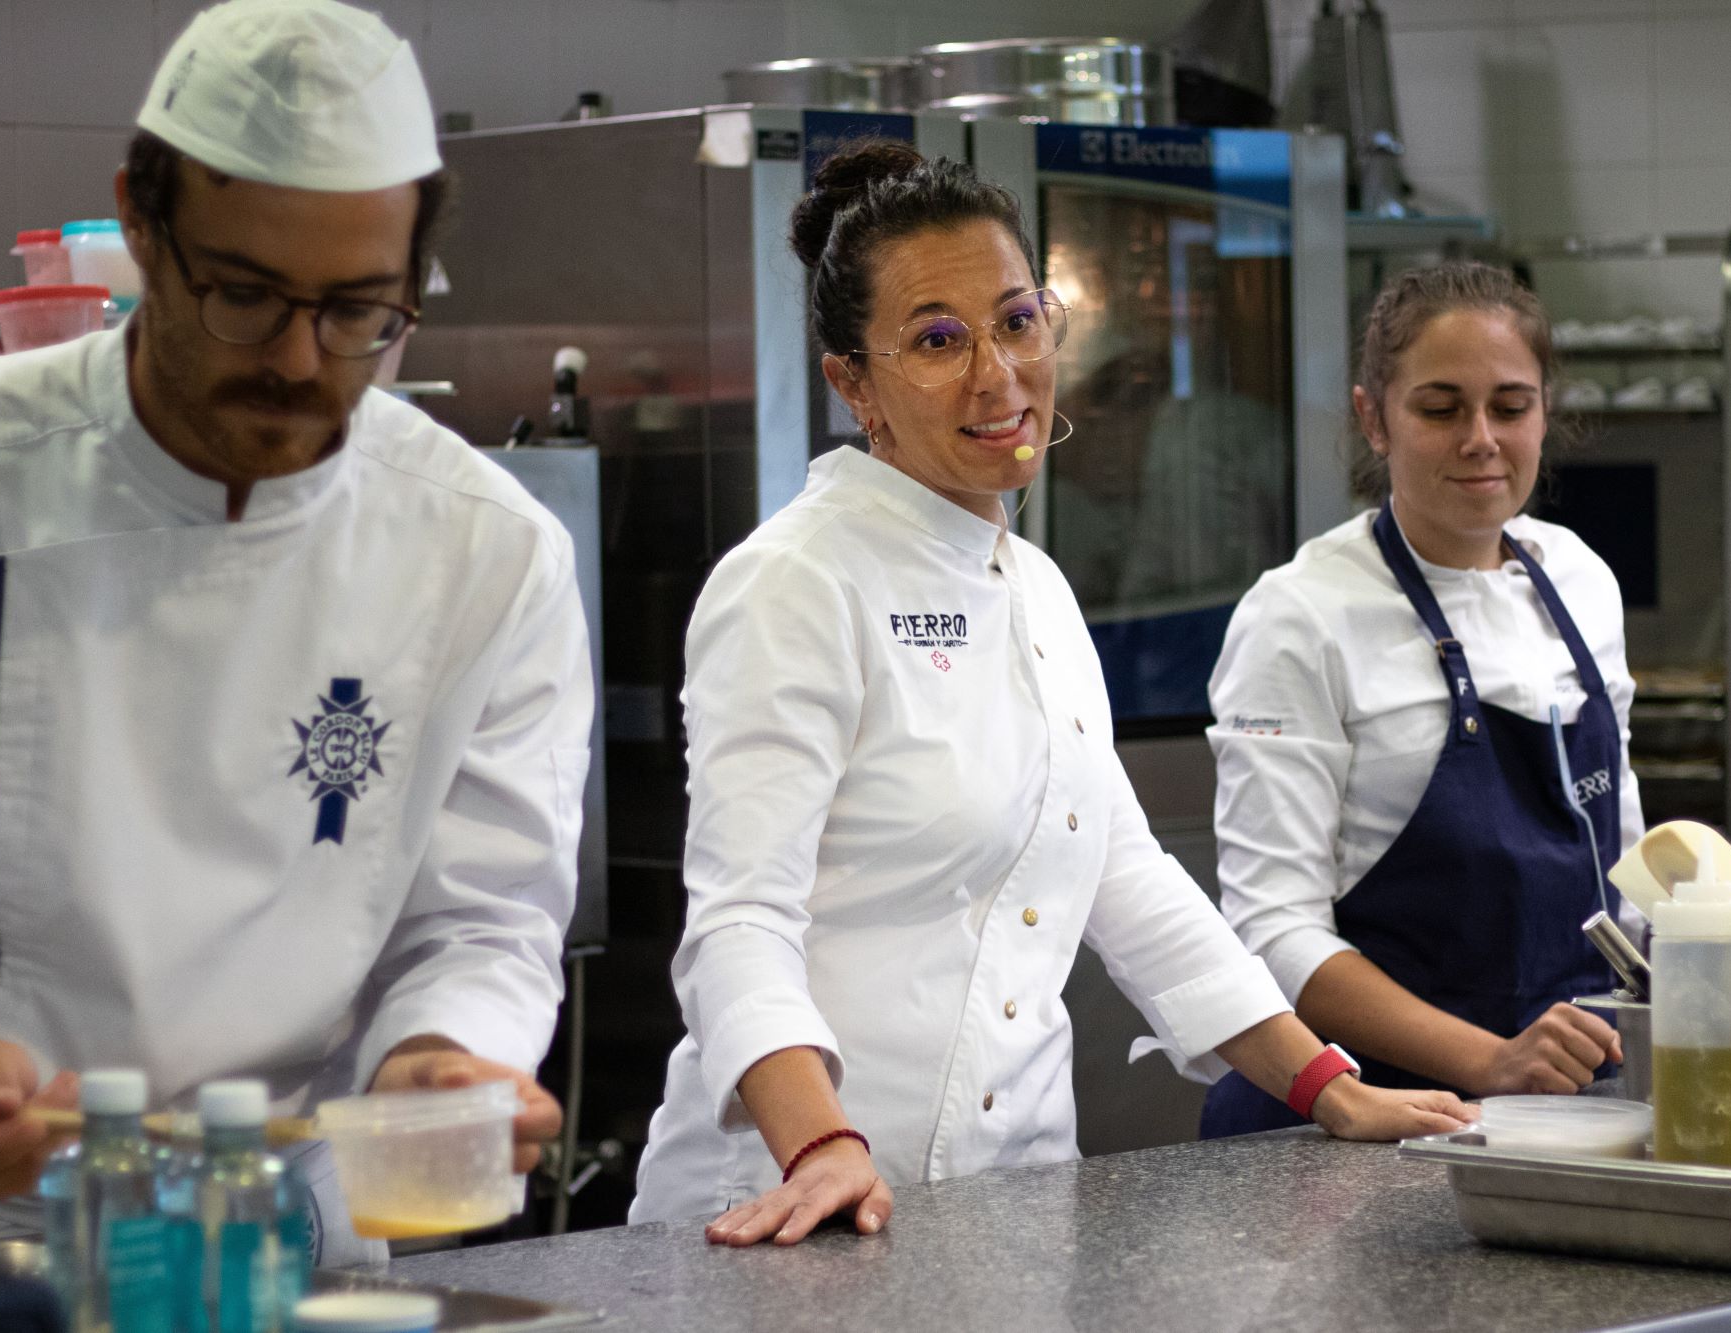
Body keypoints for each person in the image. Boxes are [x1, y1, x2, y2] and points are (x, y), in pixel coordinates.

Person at [627, 142, 1472, 1243]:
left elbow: (1124, 873)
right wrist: (823, 1144)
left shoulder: (1035, 589)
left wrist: (1323, 1082)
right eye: (936, 339)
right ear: (851, 384)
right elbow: (739, 918)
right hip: (793, 1205)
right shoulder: (794, 581)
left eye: (1018, 321)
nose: (996, 374)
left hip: (1005, 1200)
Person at [0, 0, 592, 1258]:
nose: (301, 362)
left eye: (361, 310)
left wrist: (441, 1054)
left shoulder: (485, 547)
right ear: (140, 224)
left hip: (292, 1230)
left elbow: (484, 911)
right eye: (244, 296)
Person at [1200, 262, 1647, 1138]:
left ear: (1544, 413)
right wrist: (1493, 1059)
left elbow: (1624, 876)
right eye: (1440, 409)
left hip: (1561, 1107)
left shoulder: (1582, 581)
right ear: (1374, 417)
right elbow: (1274, 932)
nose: (1481, 437)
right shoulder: (1301, 616)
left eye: (1511, 406)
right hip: (1361, 1116)